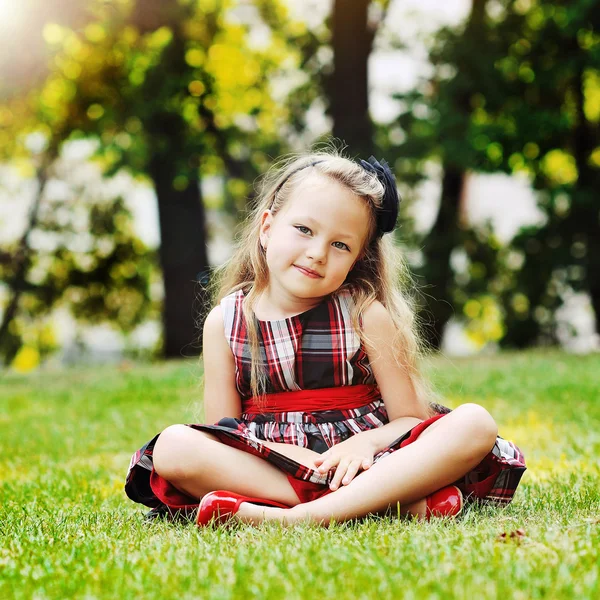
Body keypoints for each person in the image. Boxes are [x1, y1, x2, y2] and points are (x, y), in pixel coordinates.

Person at [124, 149, 526, 527]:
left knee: (474, 422)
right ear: (266, 228)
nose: (317, 252)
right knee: (174, 446)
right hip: (275, 462)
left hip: (372, 460)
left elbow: (409, 418)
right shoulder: (225, 322)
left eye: (340, 245)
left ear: (357, 259)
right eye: (303, 229)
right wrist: (292, 455)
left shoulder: (365, 313)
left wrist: (364, 445)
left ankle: (297, 517)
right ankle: (390, 504)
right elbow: (222, 433)